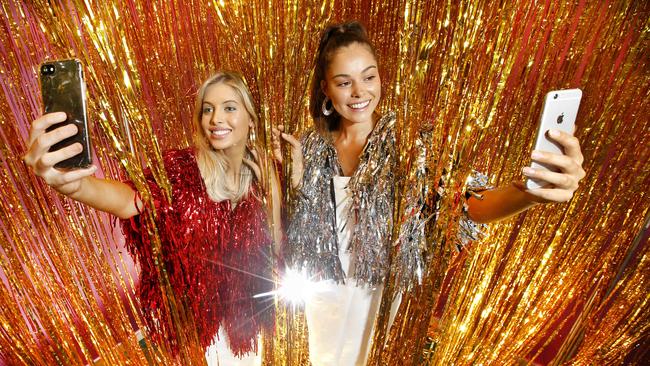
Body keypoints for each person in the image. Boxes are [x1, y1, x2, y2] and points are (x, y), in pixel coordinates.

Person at [272, 21, 586, 366]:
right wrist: (294, 180)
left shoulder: (413, 143)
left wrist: (527, 192)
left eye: (369, 77)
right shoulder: (311, 147)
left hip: (382, 312)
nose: (359, 92)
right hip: (321, 312)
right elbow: (296, 242)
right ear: (326, 90)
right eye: (344, 83)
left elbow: (467, 205)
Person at [24, 71, 281, 365]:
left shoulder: (266, 170)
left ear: (251, 118)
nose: (215, 118)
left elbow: (276, 249)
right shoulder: (181, 170)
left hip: (251, 329)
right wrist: (75, 185)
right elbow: (129, 200)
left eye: (229, 108)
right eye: (207, 109)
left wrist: (271, 184)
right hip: (193, 339)